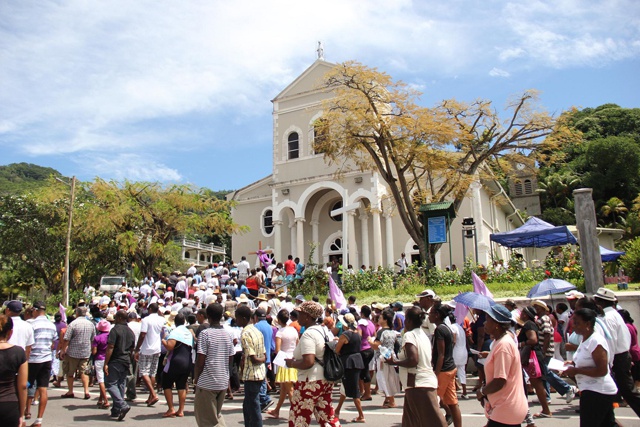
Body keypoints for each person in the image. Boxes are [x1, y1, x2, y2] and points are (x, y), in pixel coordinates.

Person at [384, 306, 446, 427]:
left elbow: (413, 360)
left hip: (418, 384)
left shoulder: (409, 335)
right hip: (418, 383)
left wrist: (394, 362)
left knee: (434, 421)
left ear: (409, 321)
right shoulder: (423, 335)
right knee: (410, 422)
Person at [285, 301, 340, 427]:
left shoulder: (309, 334)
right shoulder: (324, 330)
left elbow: (308, 361)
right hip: (325, 378)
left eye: (300, 313)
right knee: (326, 415)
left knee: (299, 417)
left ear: (307, 317)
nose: (297, 315)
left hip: (309, 380)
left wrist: (292, 363)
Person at [564, 308, 618, 427]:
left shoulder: (595, 341)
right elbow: (586, 361)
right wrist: (572, 364)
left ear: (588, 324)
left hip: (598, 391)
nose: (574, 325)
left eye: (577, 323)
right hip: (591, 390)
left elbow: (602, 370)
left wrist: (576, 370)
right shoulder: (585, 340)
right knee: (608, 424)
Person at [477, 305, 528, 427]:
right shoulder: (499, 342)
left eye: (487, 319)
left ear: (497, 324)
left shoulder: (503, 345)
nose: (484, 323)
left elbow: (500, 380)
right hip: (504, 407)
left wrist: (482, 392)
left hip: (507, 407)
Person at [593, 287, 640, 416]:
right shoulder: (615, 314)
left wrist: (609, 363)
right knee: (615, 391)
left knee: (628, 391)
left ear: (599, 302)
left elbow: (610, 342)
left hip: (617, 357)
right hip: (622, 355)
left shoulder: (607, 318)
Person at [194, 303, 235, 427]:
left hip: (207, 382)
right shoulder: (227, 334)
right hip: (222, 381)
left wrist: (196, 378)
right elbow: (230, 359)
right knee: (216, 415)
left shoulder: (205, 334)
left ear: (208, 317)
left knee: (205, 420)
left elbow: (200, 359)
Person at [531, 299, 576, 404]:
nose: (536, 309)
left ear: (542, 309)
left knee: (545, 372)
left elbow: (547, 334)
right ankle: (545, 396)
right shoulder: (541, 319)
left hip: (545, 350)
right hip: (544, 349)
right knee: (543, 373)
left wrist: (543, 351)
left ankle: (567, 388)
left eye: (537, 308)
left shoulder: (544, 319)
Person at [24, 301, 57, 427]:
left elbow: (28, 344)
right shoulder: (51, 325)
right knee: (43, 388)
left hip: (32, 359)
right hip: (46, 359)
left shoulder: (31, 324)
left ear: (35, 310)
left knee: (24, 386)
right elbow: (53, 343)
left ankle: (23, 414)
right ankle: (39, 419)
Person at [429, 304, 461, 427]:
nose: (429, 315)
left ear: (437, 315)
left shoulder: (440, 330)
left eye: (431, 313)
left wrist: (436, 375)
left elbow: (441, 354)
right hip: (450, 367)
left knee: (434, 402)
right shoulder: (447, 328)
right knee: (452, 402)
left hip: (443, 370)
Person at [518, 306, 552, 418]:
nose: (520, 314)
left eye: (522, 312)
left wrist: (520, 344)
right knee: (536, 384)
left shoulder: (529, 324)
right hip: (534, 356)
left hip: (533, 357)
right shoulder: (531, 324)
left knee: (537, 384)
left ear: (526, 315)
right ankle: (545, 409)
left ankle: (546, 410)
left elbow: (533, 340)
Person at [236, 305, 266, 427]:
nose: (236, 321)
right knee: (248, 406)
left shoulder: (245, 333)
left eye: (237, 318)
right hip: (260, 372)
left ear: (243, 318)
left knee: (253, 407)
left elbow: (252, 358)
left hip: (251, 374)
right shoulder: (257, 331)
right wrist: (262, 359)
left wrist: (257, 359)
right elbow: (264, 355)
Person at [104, 310, 136, 421]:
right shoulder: (130, 331)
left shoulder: (115, 330)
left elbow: (110, 347)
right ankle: (116, 409)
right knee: (121, 384)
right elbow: (132, 348)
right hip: (126, 360)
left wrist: (106, 363)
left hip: (116, 360)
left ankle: (122, 405)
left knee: (110, 383)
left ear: (119, 318)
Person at [267, 309, 298, 419]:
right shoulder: (293, 330)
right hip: (293, 359)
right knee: (284, 389)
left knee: (289, 389)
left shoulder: (280, 332)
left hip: (284, 361)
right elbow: (297, 344)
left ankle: (296, 412)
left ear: (279, 320)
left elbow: (277, 350)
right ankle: (277, 410)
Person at [161, 313, 194, 418]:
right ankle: (181, 410)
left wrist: (163, 340)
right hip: (187, 362)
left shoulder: (175, 332)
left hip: (176, 361)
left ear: (175, 322)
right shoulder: (189, 332)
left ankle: (171, 409)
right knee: (181, 385)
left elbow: (170, 346)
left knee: (166, 383)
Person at [335, 313, 366, 423]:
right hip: (357, 360)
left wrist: (337, 341)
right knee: (345, 386)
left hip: (348, 362)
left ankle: (361, 415)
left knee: (353, 389)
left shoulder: (345, 335)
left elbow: (337, 350)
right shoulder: (357, 333)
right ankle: (337, 410)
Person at [59, 306, 95, 399]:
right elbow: (93, 338)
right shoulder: (90, 324)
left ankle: (70, 391)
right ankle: (86, 391)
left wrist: (63, 350)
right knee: (84, 372)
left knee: (70, 372)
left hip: (73, 352)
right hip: (85, 352)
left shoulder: (73, 324)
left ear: (77, 313)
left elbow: (66, 339)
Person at [134, 302, 166, 407]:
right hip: (157, 348)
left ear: (151, 309)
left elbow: (143, 334)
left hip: (147, 348)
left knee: (144, 372)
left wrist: (137, 348)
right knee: (152, 372)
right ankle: (150, 397)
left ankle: (153, 394)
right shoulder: (161, 319)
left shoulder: (146, 320)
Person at [0, 314, 28, 427]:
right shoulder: (18, 352)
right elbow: (22, 386)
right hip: (9, 404)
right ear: (10, 332)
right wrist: (21, 414)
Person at [371, 308, 400, 408]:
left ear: (385, 319)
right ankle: (388, 399)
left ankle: (391, 400)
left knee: (384, 378)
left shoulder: (381, 332)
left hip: (382, 358)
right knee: (389, 377)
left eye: (381, 317)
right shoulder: (392, 332)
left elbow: (376, 345)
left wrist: (370, 341)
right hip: (391, 357)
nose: (379, 318)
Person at [357, 305, 376, 401]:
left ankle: (367, 393)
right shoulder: (371, 323)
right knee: (365, 369)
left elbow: (359, 336)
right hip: (370, 349)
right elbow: (374, 335)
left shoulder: (360, 323)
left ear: (362, 313)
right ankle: (366, 392)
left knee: (363, 371)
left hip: (363, 349)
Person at [92, 319, 111, 410]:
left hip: (99, 359)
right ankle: (100, 398)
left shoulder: (97, 338)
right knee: (105, 379)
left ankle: (106, 400)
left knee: (101, 380)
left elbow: (94, 351)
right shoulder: (111, 336)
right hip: (109, 359)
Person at [619, 309, 640, 382]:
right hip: (636, 352)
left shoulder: (627, 327)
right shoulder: (632, 325)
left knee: (633, 379)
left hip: (632, 354)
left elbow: (627, 342)